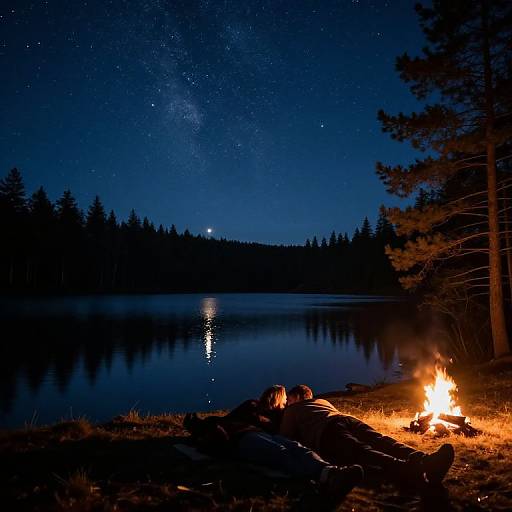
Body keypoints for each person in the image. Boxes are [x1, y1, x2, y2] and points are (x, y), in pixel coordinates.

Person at [184, 385, 363, 499]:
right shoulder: (252, 406)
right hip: (242, 438)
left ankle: (332, 471)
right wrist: (201, 427)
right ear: (277, 399)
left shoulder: (279, 417)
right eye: (285, 400)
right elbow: (222, 421)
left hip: (259, 434)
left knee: (297, 448)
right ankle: (327, 477)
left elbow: (291, 433)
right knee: (279, 452)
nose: (286, 404)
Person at [281, 384, 454, 486]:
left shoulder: (293, 410)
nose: (287, 403)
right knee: (382, 441)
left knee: (362, 451)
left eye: (288, 400)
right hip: (346, 419)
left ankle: (412, 469)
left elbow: (285, 437)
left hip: (327, 431)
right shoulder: (322, 401)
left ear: (296, 397)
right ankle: (425, 459)